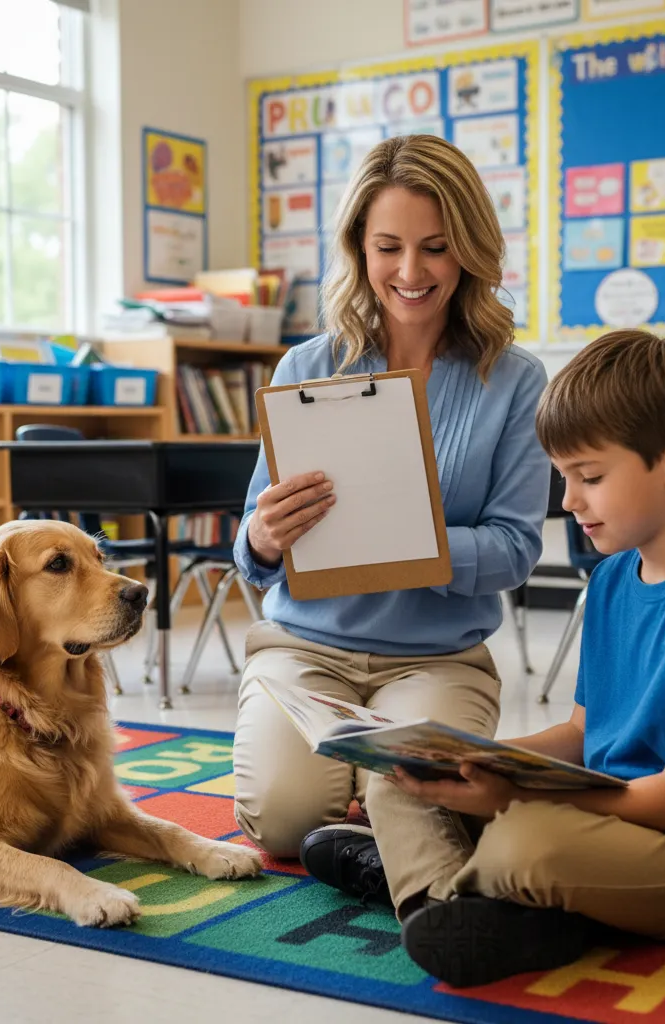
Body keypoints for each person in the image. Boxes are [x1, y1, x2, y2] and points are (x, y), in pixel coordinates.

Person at [390, 330, 665, 988]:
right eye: (564, 477)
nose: (568, 501)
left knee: (524, 842)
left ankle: (430, 887)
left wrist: (518, 793)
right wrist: (476, 756)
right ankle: (450, 904)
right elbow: (584, 735)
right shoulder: (615, 578)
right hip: (619, 821)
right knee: (401, 784)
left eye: (589, 477)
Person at [230, 134, 551, 916]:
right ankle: (365, 817)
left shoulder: (515, 379)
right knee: (282, 818)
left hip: (437, 659)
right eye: (389, 248)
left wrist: (416, 543)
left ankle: (379, 823)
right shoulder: (306, 367)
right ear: (358, 249)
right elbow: (250, 544)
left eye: (437, 248)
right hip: (304, 650)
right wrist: (262, 539)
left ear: (470, 248)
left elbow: (516, 549)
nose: (412, 273)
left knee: (411, 796)